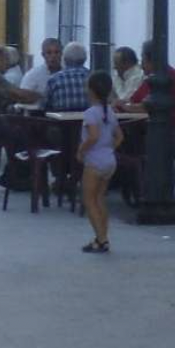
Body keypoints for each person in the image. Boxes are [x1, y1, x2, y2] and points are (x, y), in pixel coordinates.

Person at [120, 39, 175, 157]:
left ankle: (143, 167)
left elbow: (148, 106)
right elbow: (134, 100)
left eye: (142, 59)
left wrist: (125, 107)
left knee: (134, 144)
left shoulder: (166, 78)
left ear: (151, 60)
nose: (141, 65)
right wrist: (122, 104)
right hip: (169, 128)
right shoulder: (153, 77)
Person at [75, 69, 124, 254]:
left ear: (90, 90)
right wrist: (109, 148)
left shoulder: (90, 113)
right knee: (100, 198)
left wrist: (81, 150)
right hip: (109, 160)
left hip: (94, 161)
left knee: (89, 199)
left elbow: (93, 136)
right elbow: (120, 136)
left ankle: (102, 239)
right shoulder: (109, 112)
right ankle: (102, 236)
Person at [44, 43, 92, 113]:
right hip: (89, 119)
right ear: (85, 59)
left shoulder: (54, 80)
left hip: (59, 119)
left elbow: (44, 106)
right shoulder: (94, 78)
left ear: (64, 59)